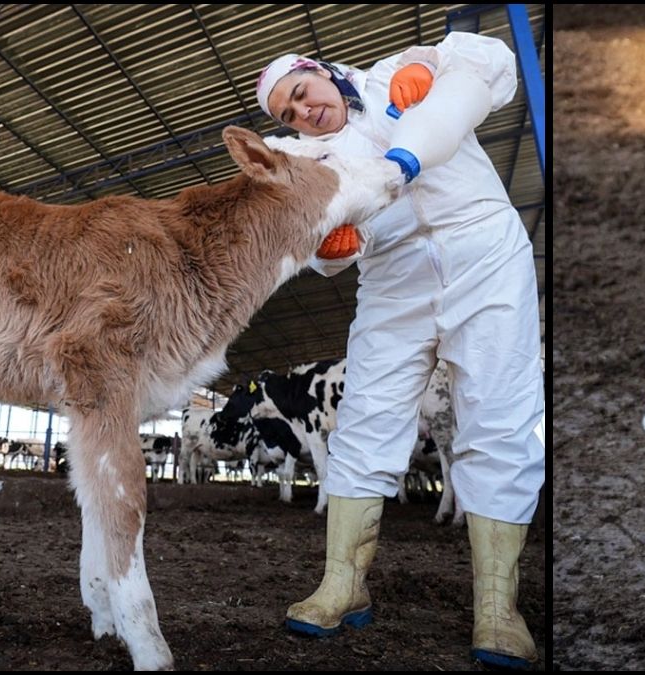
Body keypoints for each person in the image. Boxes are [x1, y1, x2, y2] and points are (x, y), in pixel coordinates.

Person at [253, 30, 543, 668]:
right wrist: (330, 250)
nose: (303, 111)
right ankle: (343, 583)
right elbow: (321, 250)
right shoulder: (302, 158)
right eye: (288, 113)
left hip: (483, 249)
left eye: (302, 91)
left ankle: (498, 609)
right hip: (393, 276)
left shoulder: (393, 76)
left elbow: (495, 64)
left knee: (498, 415)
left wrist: (431, 63)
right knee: (365, 419)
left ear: (322, 71)